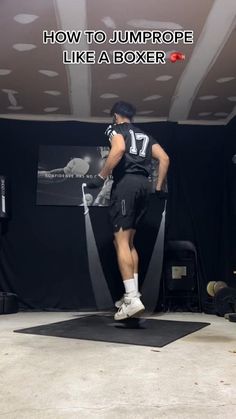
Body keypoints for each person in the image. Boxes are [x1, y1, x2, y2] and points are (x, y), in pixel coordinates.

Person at [87, 101, 169, 320]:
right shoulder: (144, 135)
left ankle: (131, 299)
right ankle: (133, 293)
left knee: (121, 241)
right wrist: (159, 187)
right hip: (144, 186)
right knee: (127, 241)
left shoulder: (115, 129)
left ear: (115, 115)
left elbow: (119, 149)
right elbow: (164, 158)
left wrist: (101, 176)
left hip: (127, 185)